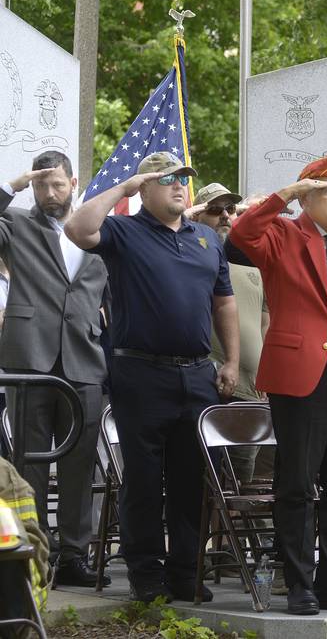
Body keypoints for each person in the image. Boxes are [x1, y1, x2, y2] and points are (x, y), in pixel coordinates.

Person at [64, 151, 240, 604]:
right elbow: (78, 229)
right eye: (167, 179)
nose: (179, 185)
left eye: (183, 178)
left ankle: (185, 572)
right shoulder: (124, 231)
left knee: (191, 479)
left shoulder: (206, 238)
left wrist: (232, 361)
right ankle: (146, 574)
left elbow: (224, 302)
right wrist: (123, 187)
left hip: (197, 374)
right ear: (144, 188)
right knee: (144, 480)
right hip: (140, 371)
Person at [228, 154, 327, 616]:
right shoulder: (282, 234)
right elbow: (240, 234)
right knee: (296, 484)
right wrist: (288, 195)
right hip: (299, 376)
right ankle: (299, 584)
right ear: (307, 197)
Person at [0, 152, 109, 588]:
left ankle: (74, 556)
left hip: (84, 359)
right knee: (29, 462)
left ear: (74, 182)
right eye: (43, 186)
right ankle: (31, 554)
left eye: (57, 185)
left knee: (80, 465)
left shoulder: (97, 229)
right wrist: (14, 186)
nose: (49, 193)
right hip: (30, 359)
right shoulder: (17, 225)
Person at [190, 183, 268, 485]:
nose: (225, 216)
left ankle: (236, 535)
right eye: (214, 210)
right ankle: (208, 535)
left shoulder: (251, 263)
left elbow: (266, 324)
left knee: (244, 484)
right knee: (209, 484)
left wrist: (267, 374)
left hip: (255, 392)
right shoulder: (191, 260)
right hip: (212, 387)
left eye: (230, 209)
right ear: (197, 216)